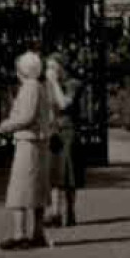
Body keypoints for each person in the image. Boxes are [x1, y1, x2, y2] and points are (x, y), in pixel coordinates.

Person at [0, 50, 54, 251]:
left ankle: (20, 234)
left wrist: (6, 126)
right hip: (38, 141)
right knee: (36, 189)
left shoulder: (29, 87)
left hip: (28, 142)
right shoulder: (40, 86)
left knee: (19, 189)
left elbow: (26, 117)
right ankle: (37, 233)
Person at [45, 58, 85, 228]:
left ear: (63, 67)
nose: (51, 70)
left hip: (69, 132)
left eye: (54, 66)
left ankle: (70, 211)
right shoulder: (52, 86)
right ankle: (56, 213)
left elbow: (64, 104)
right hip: (55, 132)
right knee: (55, 175)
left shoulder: (73, 84)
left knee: (69, 175)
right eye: (48, 67)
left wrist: (53, 83)